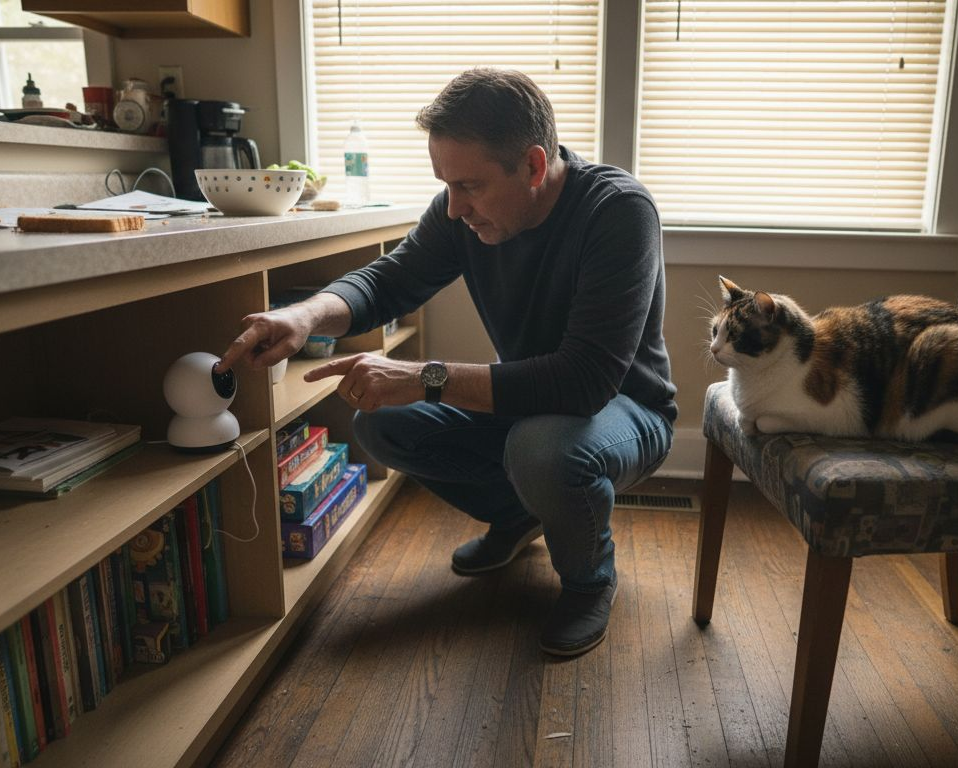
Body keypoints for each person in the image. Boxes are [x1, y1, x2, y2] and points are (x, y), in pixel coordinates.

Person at [217, 68, 676, 657]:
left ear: (534, 166)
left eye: (471, 187)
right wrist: (304, 317)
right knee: (378, 424)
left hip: (627, 409)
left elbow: (584, 382)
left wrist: (425, 379)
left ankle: (589, 581)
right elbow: (389, 281)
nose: (454, 208)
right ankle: (519, 515)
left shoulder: (618, 210)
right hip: (532, 408)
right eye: (445, 185)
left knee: (542, 449)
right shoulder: (460, 208)